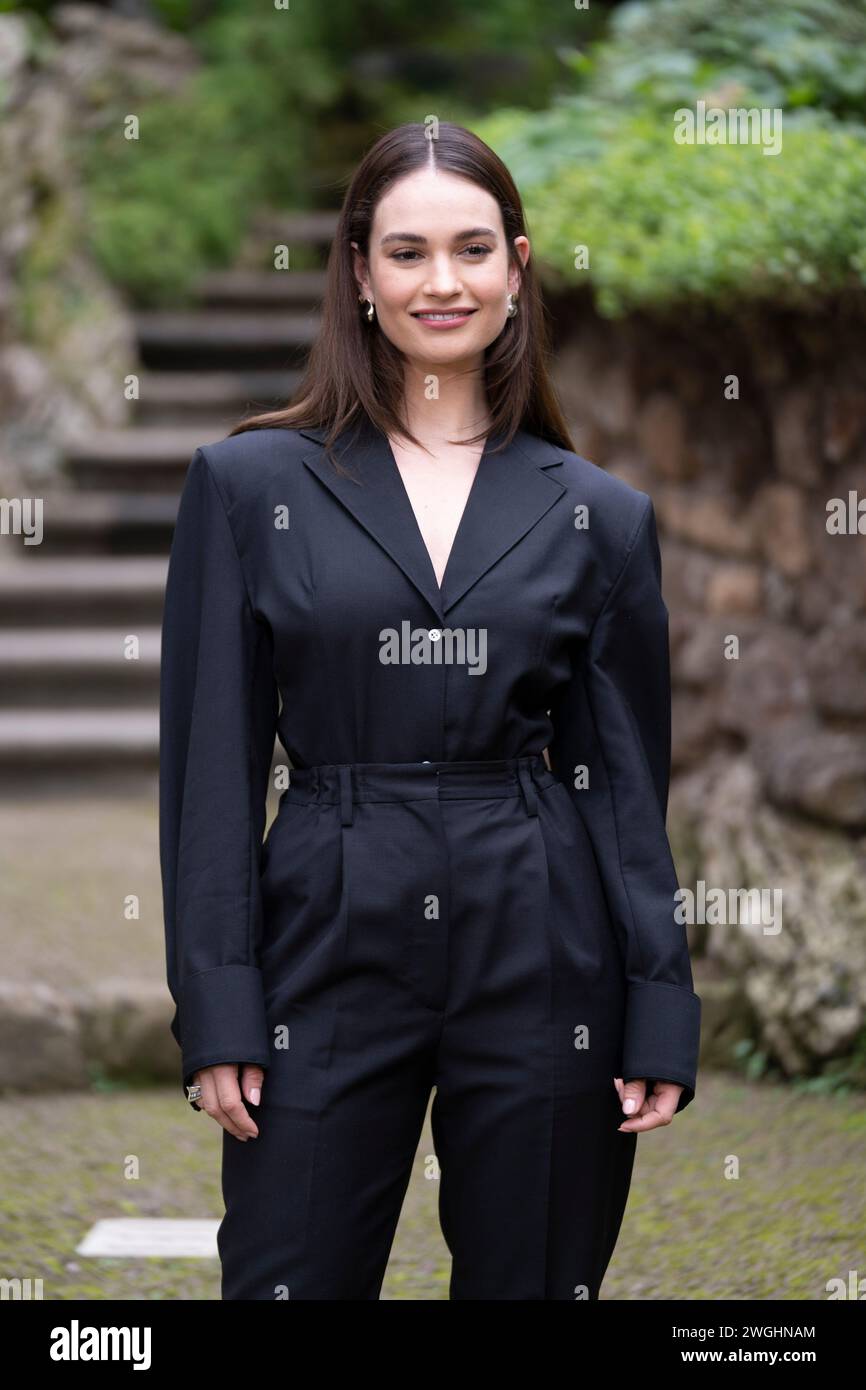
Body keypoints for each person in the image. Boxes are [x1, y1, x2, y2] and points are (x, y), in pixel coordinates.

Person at [159, 121, 701, 1301]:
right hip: (325, 924)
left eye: (470, 250)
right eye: (405, 252)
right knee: (285, 1275)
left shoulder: (598, 516)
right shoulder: (249, 486)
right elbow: (211, 766)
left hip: (543, 938)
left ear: (516, 266)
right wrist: (218, 1002)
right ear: (357, 271)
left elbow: (619, 782)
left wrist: (657, 999)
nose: (440, 282)